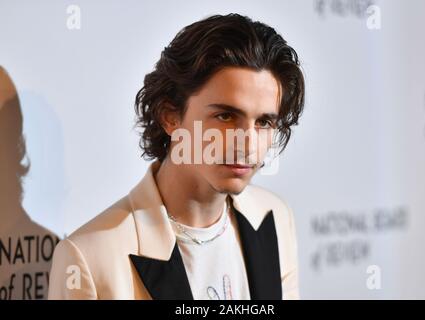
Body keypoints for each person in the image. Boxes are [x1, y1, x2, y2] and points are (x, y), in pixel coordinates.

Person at [48, 13, 305, 300]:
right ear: (170, 116)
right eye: (225, 116)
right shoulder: (89, 257)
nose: (248, 144)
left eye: (264, 122)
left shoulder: (274, 217)